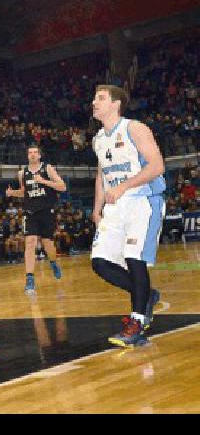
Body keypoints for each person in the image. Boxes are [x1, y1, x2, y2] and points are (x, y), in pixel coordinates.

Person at [90, 85, 164, 348]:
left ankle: (137, 320)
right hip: (115, 206)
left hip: (142, 200)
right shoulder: (98, 138)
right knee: (100, 262)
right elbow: (102, 175)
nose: (94, 102)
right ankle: (147, 295)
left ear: (116, 104)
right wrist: (97, 208)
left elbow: (157, 166)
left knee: (134, 259)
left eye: (100, 98)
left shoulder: (135, 129)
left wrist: (123, 187)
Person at [5, 145, 66, 292]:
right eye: (30, 153)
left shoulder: (47, 168)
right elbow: (24, 193)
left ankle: (53, 262)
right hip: (30, 212)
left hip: (46, 211)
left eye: (35, 152)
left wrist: (43, 181)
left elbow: (62, 186)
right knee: (30, 242)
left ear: (39, 155)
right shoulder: (22, 173)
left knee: (48, 245)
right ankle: (30, 278)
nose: (32, 155)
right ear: (27, 156)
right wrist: (12, 193)